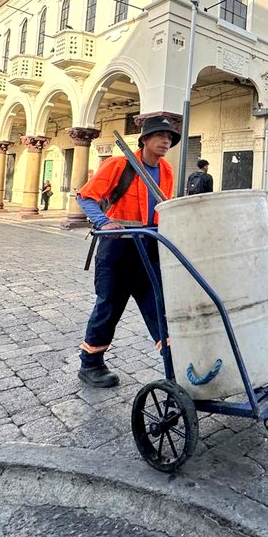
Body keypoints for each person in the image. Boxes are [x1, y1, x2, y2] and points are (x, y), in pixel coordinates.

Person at [74, 115, 178, 388]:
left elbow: (164, 210)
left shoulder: (167, 170)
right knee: (109, 306)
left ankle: (175, 360)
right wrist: (104, 221)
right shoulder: (118, 165)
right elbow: (85, 197)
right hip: (118, 247)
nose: (166, 141)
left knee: (158, 304)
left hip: (150, 246)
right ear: (144, 140)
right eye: (160, 136)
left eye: (169, 138)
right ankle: (91, 364)